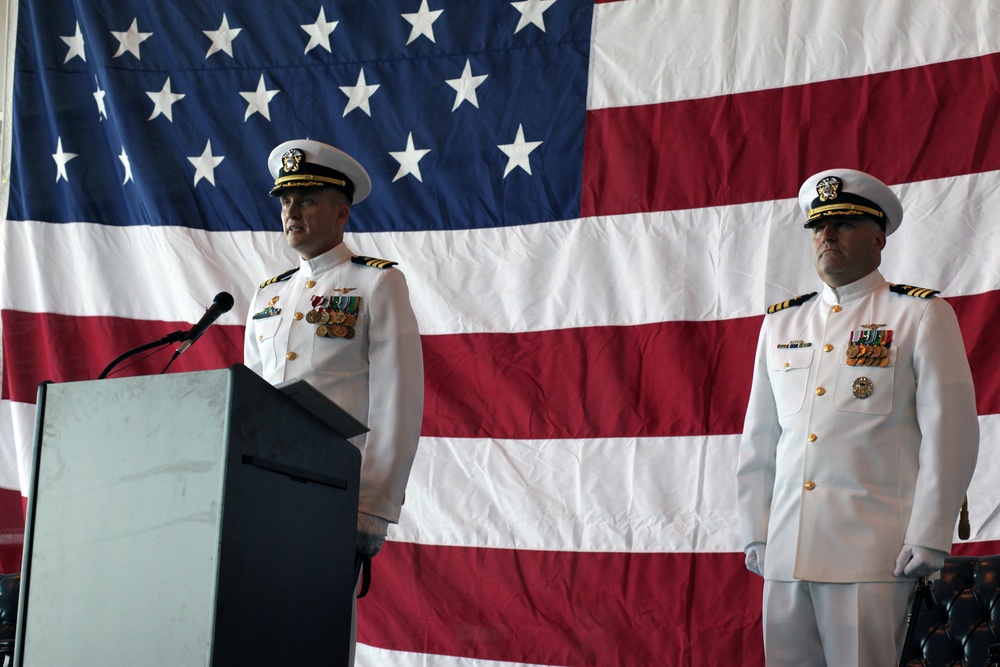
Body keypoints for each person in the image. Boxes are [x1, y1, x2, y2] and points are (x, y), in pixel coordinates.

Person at [735, 168, 980, 666]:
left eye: (843, 224)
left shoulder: (919, 316)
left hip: (872, 556)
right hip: (786, 552)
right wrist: (756, 530)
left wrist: (931, 534)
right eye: (819, 227)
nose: (826, 236)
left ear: (877, 238)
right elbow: (761, 438)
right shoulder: (781, 324)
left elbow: (950, 434)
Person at [243, 139, 424, 661]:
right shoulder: (268, 294)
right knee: (256, 630)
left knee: (316, 637)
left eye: (307, 200)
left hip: (334, 494)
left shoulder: (376, 283)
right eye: (284, 201)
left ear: (341, 212)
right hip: (261, 491)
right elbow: (250, 401)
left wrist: (372, 507)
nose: (291, 212)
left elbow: (398, 400)